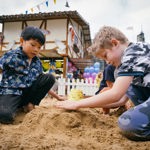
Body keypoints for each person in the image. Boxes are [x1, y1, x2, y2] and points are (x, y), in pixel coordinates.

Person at [55, 26, 150, 141]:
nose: (107, 62)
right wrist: (89, 105)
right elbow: (120, 100)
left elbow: (116, 94)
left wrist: (78, 103)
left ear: (115, 43)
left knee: (128, 123)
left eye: (105, 56)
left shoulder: (133, 52)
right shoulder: (122, 68)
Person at [0, 26, 66, 124]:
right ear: (22, 41)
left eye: (39, 47)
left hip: (27, 94)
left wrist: (58, 97)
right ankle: (12, 106)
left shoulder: (37, 62)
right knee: (5, 117)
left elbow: (41, 83)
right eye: (33, 45)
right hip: (11, 93)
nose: (36, 49)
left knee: (49, 77)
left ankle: (30, 104)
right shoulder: (11, 56)